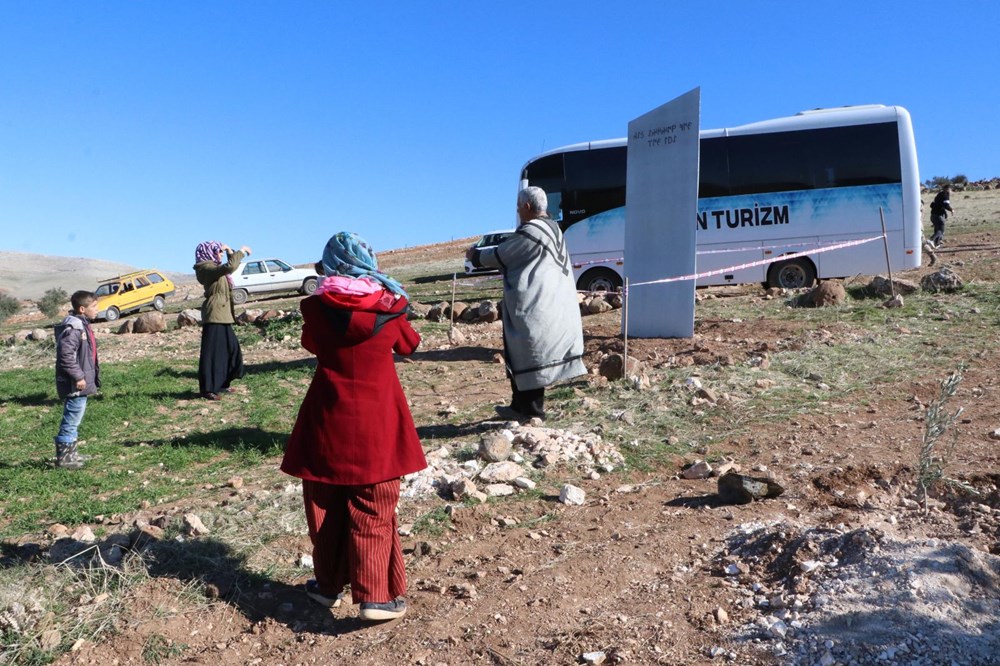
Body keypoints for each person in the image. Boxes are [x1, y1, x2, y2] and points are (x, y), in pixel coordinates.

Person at [280, 231, 426, 622]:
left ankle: (328, 587)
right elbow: (410, 346)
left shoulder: (315, 307)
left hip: (327, 421)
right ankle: (376, 596)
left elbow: (311, 344)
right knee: (374, 506)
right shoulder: (391, 306)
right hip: (378, 422)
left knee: (324, 506)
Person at [466, 186, 587, 420]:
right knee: (527, 353)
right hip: (553, 301)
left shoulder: (532, 232)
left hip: (536, 304)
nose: (518, 212)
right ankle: (518, 406)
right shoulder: (553, 228)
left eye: (519, 207)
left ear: (528, 207)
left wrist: (475, 256)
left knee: (529, 352)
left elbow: (502, 254)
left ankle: (531, 413)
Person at [194, 240, 251, 400]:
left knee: (231, 350)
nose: (220, 254)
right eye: (217, 251)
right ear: (209, 252)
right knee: (212, 354)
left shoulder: (216, 268)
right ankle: (207, 389)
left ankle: (223, 383)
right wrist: (241, 251)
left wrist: (228, 251)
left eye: (220, 251)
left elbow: (228, 267)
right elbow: (230, 267)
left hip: (223, 314)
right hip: (214, 315)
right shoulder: (205, 268)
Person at [53, 290, 101, 469]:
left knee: (75, 418)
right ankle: (65, 459)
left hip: (80, 383)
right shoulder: (75, 328)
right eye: (94, 306)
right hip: (76, 384)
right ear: (82, 309)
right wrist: (79, 376)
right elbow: (65, 356)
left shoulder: (82, 325)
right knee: (71, 419)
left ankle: (70, 454)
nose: (98, 309)